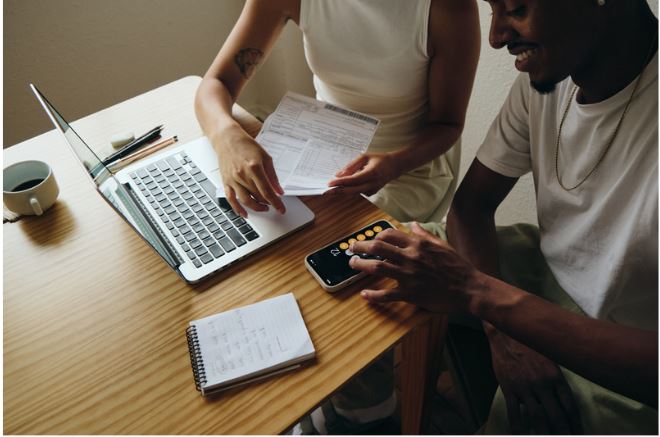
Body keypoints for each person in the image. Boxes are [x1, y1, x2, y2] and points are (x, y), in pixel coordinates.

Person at [348, 0, 658, 433]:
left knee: (525, 416)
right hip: (545, 267)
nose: (495, 37)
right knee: (371, 259)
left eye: (515, 7)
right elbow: (471, 207)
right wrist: (503, 329)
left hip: (631, 343)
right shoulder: (546, 83)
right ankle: (365, 421)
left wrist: (480, 292)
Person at [195, 0, 480, 432]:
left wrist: (390, 162)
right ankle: (292, 380)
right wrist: (227, 137)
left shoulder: (446, 8)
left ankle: (365, 413)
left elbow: (447, 124)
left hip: (407, 166)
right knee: (260, 236)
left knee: (346, 267)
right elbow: (214, 84)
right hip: (322, 151)